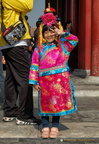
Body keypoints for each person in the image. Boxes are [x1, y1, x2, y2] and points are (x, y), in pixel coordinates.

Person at [29, 13, 78, 138]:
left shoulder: (63, 46)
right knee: (45, 104)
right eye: (46, 32)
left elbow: (75, 40)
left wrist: (63, 33)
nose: (49, 35)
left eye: (52, 32)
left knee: (57, 104)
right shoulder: (38, 49)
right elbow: (34, 65)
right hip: (44, 81)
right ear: (42, 34)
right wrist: (34, 82)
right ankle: (45, 126)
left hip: (60, 81)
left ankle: (55, 126)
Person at [0, 0, 41, 125]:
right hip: (16, 42)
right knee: (26, 77)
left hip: (7, 42)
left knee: (11, 78)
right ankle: (25, 114)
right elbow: (28, 6)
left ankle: (10, 111)